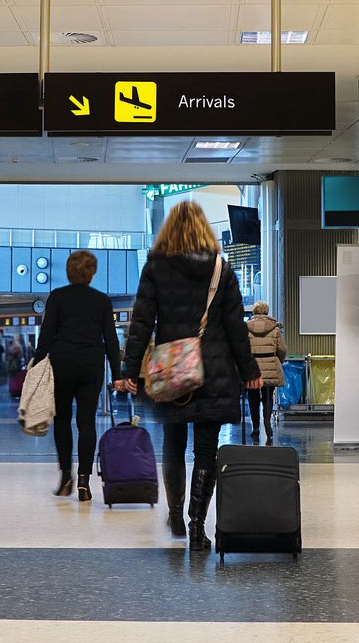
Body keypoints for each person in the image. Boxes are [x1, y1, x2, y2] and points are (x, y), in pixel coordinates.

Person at [117, 201, 261, 551]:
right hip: (213, 370)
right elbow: (234, 328)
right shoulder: (220, 269)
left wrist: (130, 370)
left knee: (173, 444)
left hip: (172, 372)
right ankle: (199, 526)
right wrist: (250, 370)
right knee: (207, 451)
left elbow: (142, 323)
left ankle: (177, 514)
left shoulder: (155, 267)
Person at [32, 251, 122, 502]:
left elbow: (46, 336)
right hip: (91, 365)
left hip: (62, 364)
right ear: (91, 272)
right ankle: (84, 483)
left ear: (69, 271)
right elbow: (111, 340)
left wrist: (36, 365)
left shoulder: (57, 297)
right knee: (87, 422)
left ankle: (65, 479)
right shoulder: (102, 301)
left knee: (62, 420)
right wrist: (117, 374)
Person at [246, 301, 287, 443]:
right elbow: (282, 349)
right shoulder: (274, 328)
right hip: (270, 365)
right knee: (268, 396)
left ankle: (255, 426)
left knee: (252, 397)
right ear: (267, 312)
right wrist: (277, 361)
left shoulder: (246, 328)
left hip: (252, 368)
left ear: (254, 312)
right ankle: (267, 424)